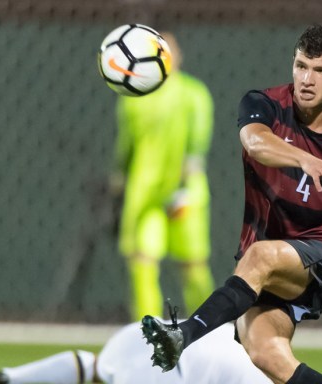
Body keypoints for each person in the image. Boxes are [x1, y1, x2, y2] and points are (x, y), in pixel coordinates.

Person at [141, 25, 322, 384]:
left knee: (262, 256)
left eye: (320, 70)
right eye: (301, 66)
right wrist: (305, 159)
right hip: (264, 265)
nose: (307, 79)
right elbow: (255, 143)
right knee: (265, 352)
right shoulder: (262, 105)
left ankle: (182, 335)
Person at [111, 32, 215, 321]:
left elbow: (198, 141)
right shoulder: (133, 97)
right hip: (145, 193)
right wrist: (119, 178)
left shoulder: (194, 93)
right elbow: (126, 145)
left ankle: (212, 327)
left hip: (185, 192)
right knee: (143, 261)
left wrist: (188, 171)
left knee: (193, 266)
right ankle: (146, 332)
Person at [0, 320, 272, 384]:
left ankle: (7, 378)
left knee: (96, 367)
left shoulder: (225, 330)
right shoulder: (258, 375)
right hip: (164, 373)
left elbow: (87, 366)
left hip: (144, 335)